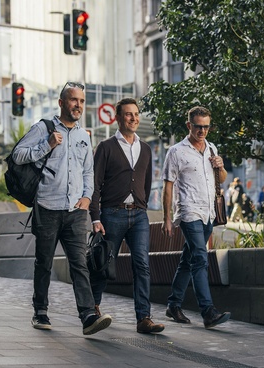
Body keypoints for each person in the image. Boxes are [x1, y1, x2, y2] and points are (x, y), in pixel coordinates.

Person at [11, 81, 111, 335]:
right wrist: (47, 145)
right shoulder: (43, 128)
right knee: (44, 262)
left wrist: (87, 197)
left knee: (80, 263)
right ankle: (40, 311)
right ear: (61, 103)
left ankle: (88, 315)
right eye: (73, 100)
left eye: (81, 101)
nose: (77, 105)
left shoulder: (83, 136)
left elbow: (88, 172)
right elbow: (17, 155)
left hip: (76, 211)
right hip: (47, 206)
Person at [89, 98, 164, 334]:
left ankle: (144, 318)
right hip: (112, 214)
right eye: (128, 114)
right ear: (118, 118)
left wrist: (142, 205)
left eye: (136, 114)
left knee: (142, 265)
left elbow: (147, 181)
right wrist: (95, 217)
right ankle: (93, 307)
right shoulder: (106, 147)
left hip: (139, 216)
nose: (133, 118)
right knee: (104, 263)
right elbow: (95, 184)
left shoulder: (146, 148)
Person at [161, 106, 231, 329]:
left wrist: (220, 167)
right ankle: (208, 311)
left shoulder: (212, 148)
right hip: (189, 212)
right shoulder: (176, 151)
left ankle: (173, 304)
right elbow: (168, 186)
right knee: (200, 258)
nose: (202, 131)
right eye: (198, 126)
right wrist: (167, 218)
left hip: (209, 212)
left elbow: (221, 178)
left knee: (188, 260)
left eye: (206, 126)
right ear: (189, 125)